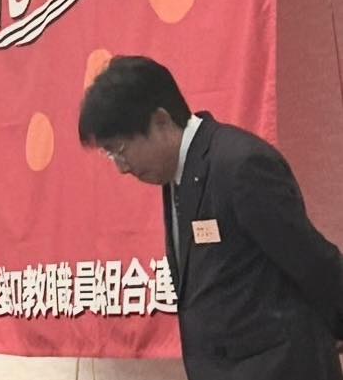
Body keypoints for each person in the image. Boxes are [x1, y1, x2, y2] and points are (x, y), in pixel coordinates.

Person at [78, 55, 343, 380]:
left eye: (120, 149)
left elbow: (310, 260)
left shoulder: (239, 165)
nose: (122, 168)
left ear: (161, 121)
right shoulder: (176, 175)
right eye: (110, 155)